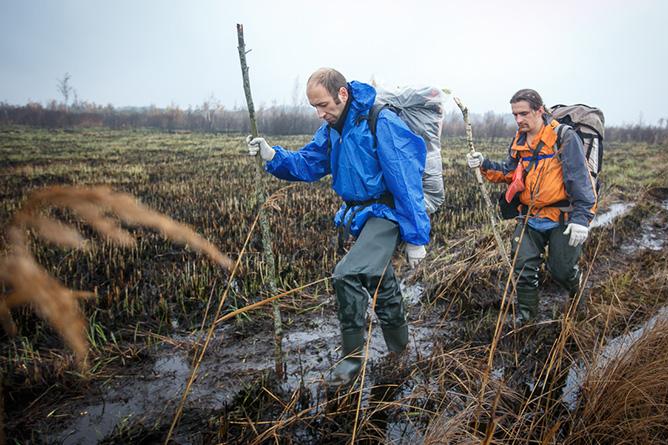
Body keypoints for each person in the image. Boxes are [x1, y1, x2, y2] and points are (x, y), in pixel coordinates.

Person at [247, 68, 430, 385]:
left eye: (323, 105)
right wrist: (272, 155)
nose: (320, 114)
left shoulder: (381, 121)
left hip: (385, 214)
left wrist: (416, 238)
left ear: (342, 94)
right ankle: (400, 351)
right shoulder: (332, 130)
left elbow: (406, 180)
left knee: (347, 273)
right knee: (380, 282)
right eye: (314, 107)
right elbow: (308, 163)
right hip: (360, 217)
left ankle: (351, 362)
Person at [466, 89, 596, 321]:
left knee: (561, 270)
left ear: (539, 110)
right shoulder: (520, 139)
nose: (518, 120)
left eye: (523, 113)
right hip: (528, 217)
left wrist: (581, 219)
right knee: (523, 269)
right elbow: (509, 172)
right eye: (515, 115)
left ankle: (578, 297)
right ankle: (526, 319)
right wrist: (483, 164)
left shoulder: (563, 137)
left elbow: (581, 181)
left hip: (561, 217)